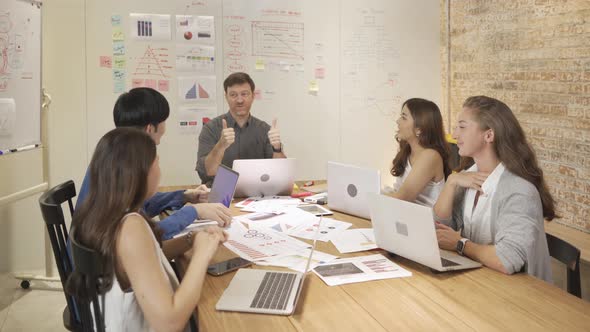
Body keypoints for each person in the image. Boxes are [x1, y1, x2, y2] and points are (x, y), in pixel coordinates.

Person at [66, 128, 227, 331]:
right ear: (139, 173)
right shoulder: (131, 227)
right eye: (157, 162)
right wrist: (202, 255)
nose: (160, 169)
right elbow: (169, 323)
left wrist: (190, 239)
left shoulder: (101, 211)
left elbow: (142, 259)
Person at [76, 88, 232, 242]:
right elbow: (144, 236)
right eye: (163, 121)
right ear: (150, 128)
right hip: (105, 263)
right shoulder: (126, 166)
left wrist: (183, 196)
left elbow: (143, 205)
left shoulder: (112, 154)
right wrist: (194, 211)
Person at [433, 96, 555, 282]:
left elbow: (507, 260)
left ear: (489, 135)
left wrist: (460, 244)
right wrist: (451, 182)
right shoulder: (468, 177)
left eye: (462, 127)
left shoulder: (519, 190)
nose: (455, 134)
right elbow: (440, 227)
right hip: (484, 279)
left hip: (523, 293)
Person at [196, 72, 286, 186]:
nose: (239, 100)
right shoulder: (211, 128)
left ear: (253, 96)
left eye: (244, 94)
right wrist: (221, 145)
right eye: (233, 95)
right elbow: (208, 171)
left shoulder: (264, 129)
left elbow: (280, 174)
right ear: (226, 97)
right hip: (221, 194)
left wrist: (277, 148)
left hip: (257, 194)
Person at [387, 98, 450, 207]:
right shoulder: (407, 151)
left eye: (403, 117)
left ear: (419, 129)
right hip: (404, 214)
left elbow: (402, 198)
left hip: (425, 221)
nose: (398, 121)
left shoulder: (430, 156)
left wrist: (366, 197)